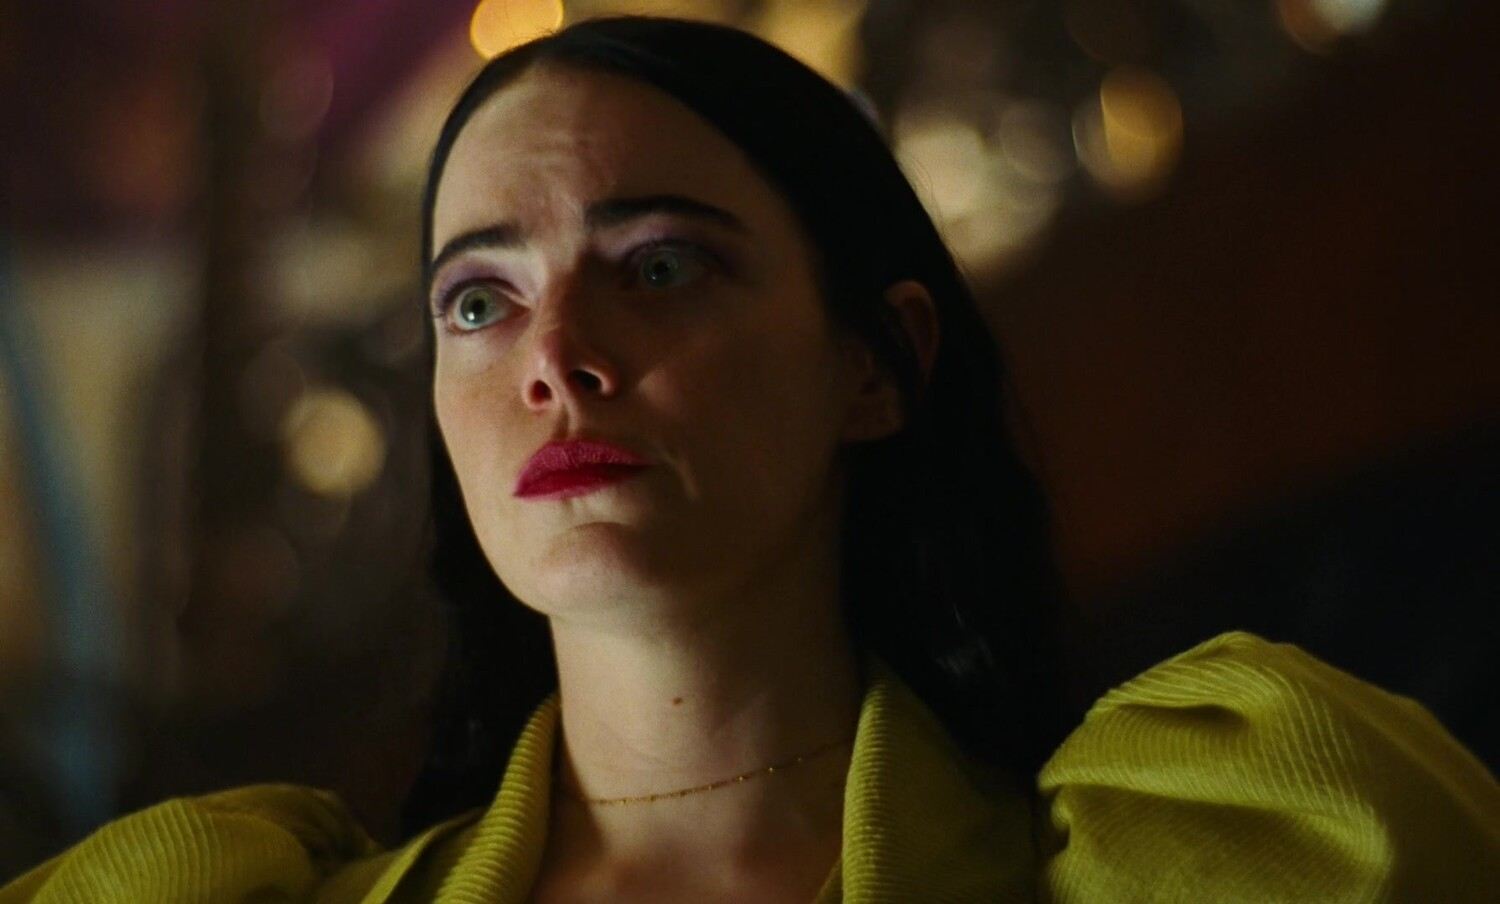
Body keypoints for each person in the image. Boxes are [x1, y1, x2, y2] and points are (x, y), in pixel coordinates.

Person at [3, 15, 1497, 903]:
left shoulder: (1234, 845)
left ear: (873, 363)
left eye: (658, 268)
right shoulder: (224, 889)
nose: (555, 357)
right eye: (478, 301)